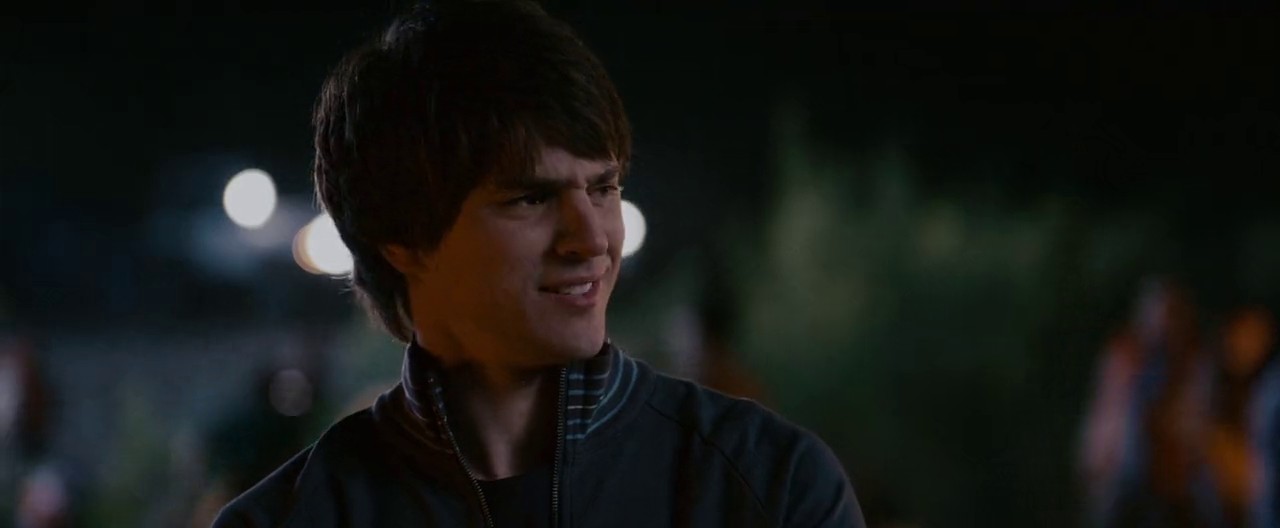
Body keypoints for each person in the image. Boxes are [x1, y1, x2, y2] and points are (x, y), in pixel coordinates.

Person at [213, 1, 865, 526]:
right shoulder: (291, 518)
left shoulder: (767, 486)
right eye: (531, 198)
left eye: (603, 189)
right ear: (402, 237)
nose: (592, 239)